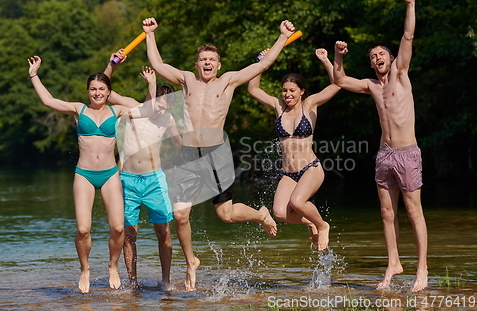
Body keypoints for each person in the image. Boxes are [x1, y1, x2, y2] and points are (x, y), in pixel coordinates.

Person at [142, 17, 296, 291]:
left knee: (225, 214)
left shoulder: (228, 81)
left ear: (219, 64)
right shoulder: (186, 80)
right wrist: (150, 34)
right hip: (188, 154)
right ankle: (191, 261)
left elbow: (263, 64)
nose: (207, 63)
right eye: (203, 59)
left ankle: (260, 214)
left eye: (212, 59)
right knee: (179, 216)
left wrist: (282, 37)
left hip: (216, 154)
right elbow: (158, 65)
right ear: (196, 63)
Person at [27, 56, 153, 294]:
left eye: (102, 89)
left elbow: (147, 110)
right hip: (84, 174)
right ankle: (85, 269)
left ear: (108, 91)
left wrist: (150, 84)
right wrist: (34, 74)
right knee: (83, 229)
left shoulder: (117, 111)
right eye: (93, 89)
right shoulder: (79, 109)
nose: (97, 93)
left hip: (109, 174)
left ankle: (112, 266)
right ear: (88, 91)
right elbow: (48, 100)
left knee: (118, 228)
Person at [333, 0, 428, 292]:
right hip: (384, 156)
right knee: (387, 213)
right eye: (373, 57)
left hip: (407, 153)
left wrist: (411, 4)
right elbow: (338, 80)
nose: (377, 58)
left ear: (391, 58)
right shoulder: (371, 86)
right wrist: (337, 56)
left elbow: (408, 36)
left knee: (414, 212)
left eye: (381, 54)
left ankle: (422, 269)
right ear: (372, 64)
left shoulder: (401, 73)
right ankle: (393, 263)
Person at [247, 48, 340, 251]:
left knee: (298, 202)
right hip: (288, 173)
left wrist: (326, 60)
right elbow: (253, 89)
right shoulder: (278, 106)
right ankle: (310, 222)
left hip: (310, 168)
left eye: (292, 90)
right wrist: (261, 60)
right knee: (279, 213)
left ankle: (323, 225)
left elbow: (337, 84)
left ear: (301, 91)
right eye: (284, 90)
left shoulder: (310, 105)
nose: (287, 94)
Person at [104, 54, 182, 289]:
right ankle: (133, 283)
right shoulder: (132, 108)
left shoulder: (167, 119)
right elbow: (105, 91)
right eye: (160, 101)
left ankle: (166, 282)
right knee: (128, 235)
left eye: (168, 103)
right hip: (127, 180)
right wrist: (112, 65)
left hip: (154, 180)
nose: (162, 107)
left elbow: (180, 146)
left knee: (164, 234)